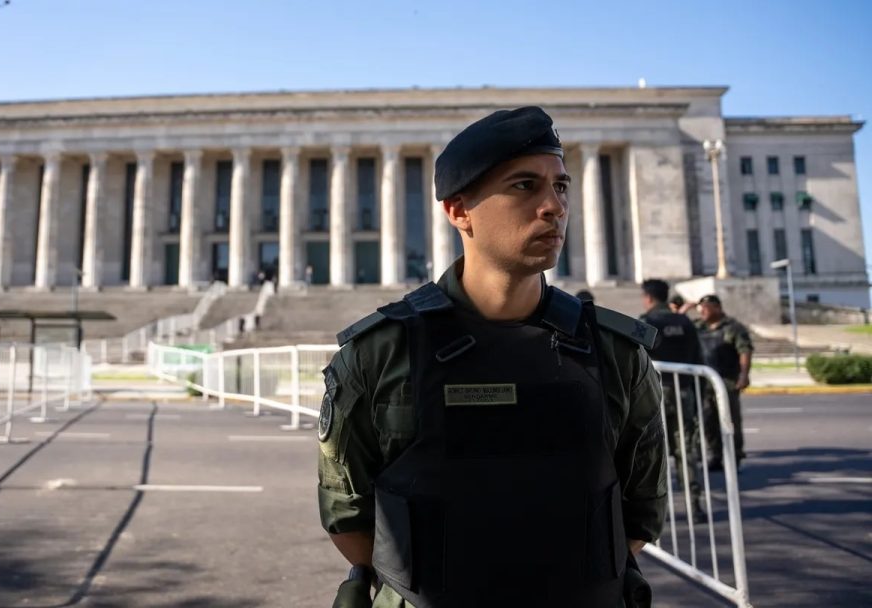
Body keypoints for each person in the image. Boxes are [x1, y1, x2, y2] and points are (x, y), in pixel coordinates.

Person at [318, 107, 667, 608]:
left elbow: (641, 511)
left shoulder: (617, 353)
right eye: (525, 186)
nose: (554, 206)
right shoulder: (379, 354)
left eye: (561, 186)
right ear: (459, 211)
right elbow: (347, 517)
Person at [639, 279, 707, 523]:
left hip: (654, 393)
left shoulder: (647, 322)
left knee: (652, 450)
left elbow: (636, 359)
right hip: (683, 390)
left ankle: (654, 511)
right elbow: (699, 357)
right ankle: (694, 505)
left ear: (648, 297)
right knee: (685, 448)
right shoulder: (685, 321)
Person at [695, 294, 754, 470]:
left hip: (727, 380)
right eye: (701, 307)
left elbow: (745, 351)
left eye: (706, 307)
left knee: (729, 420)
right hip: (705, 382)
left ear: (717, 308)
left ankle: (735, 456)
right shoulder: (698, 327)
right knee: (707, 420)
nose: (702, 311)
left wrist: (744, 374)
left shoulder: (733, 328)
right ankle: (715, 454)